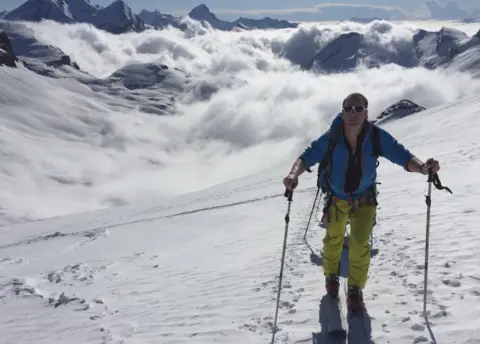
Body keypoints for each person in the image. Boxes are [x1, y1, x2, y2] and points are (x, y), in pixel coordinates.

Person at [282, 92, 440, 312]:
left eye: (358, 109)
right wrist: (293, 174)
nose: (353, 113)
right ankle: (331, 275)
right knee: (333, 240)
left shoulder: (376, 137)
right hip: (337, 198)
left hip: (365, 198)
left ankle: (355, 288)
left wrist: (423, 168)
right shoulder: (332, 136)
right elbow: (307, 156)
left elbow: (401, 155)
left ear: (366, 113)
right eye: (349, 109)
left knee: (359, 244)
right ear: (342, 112)